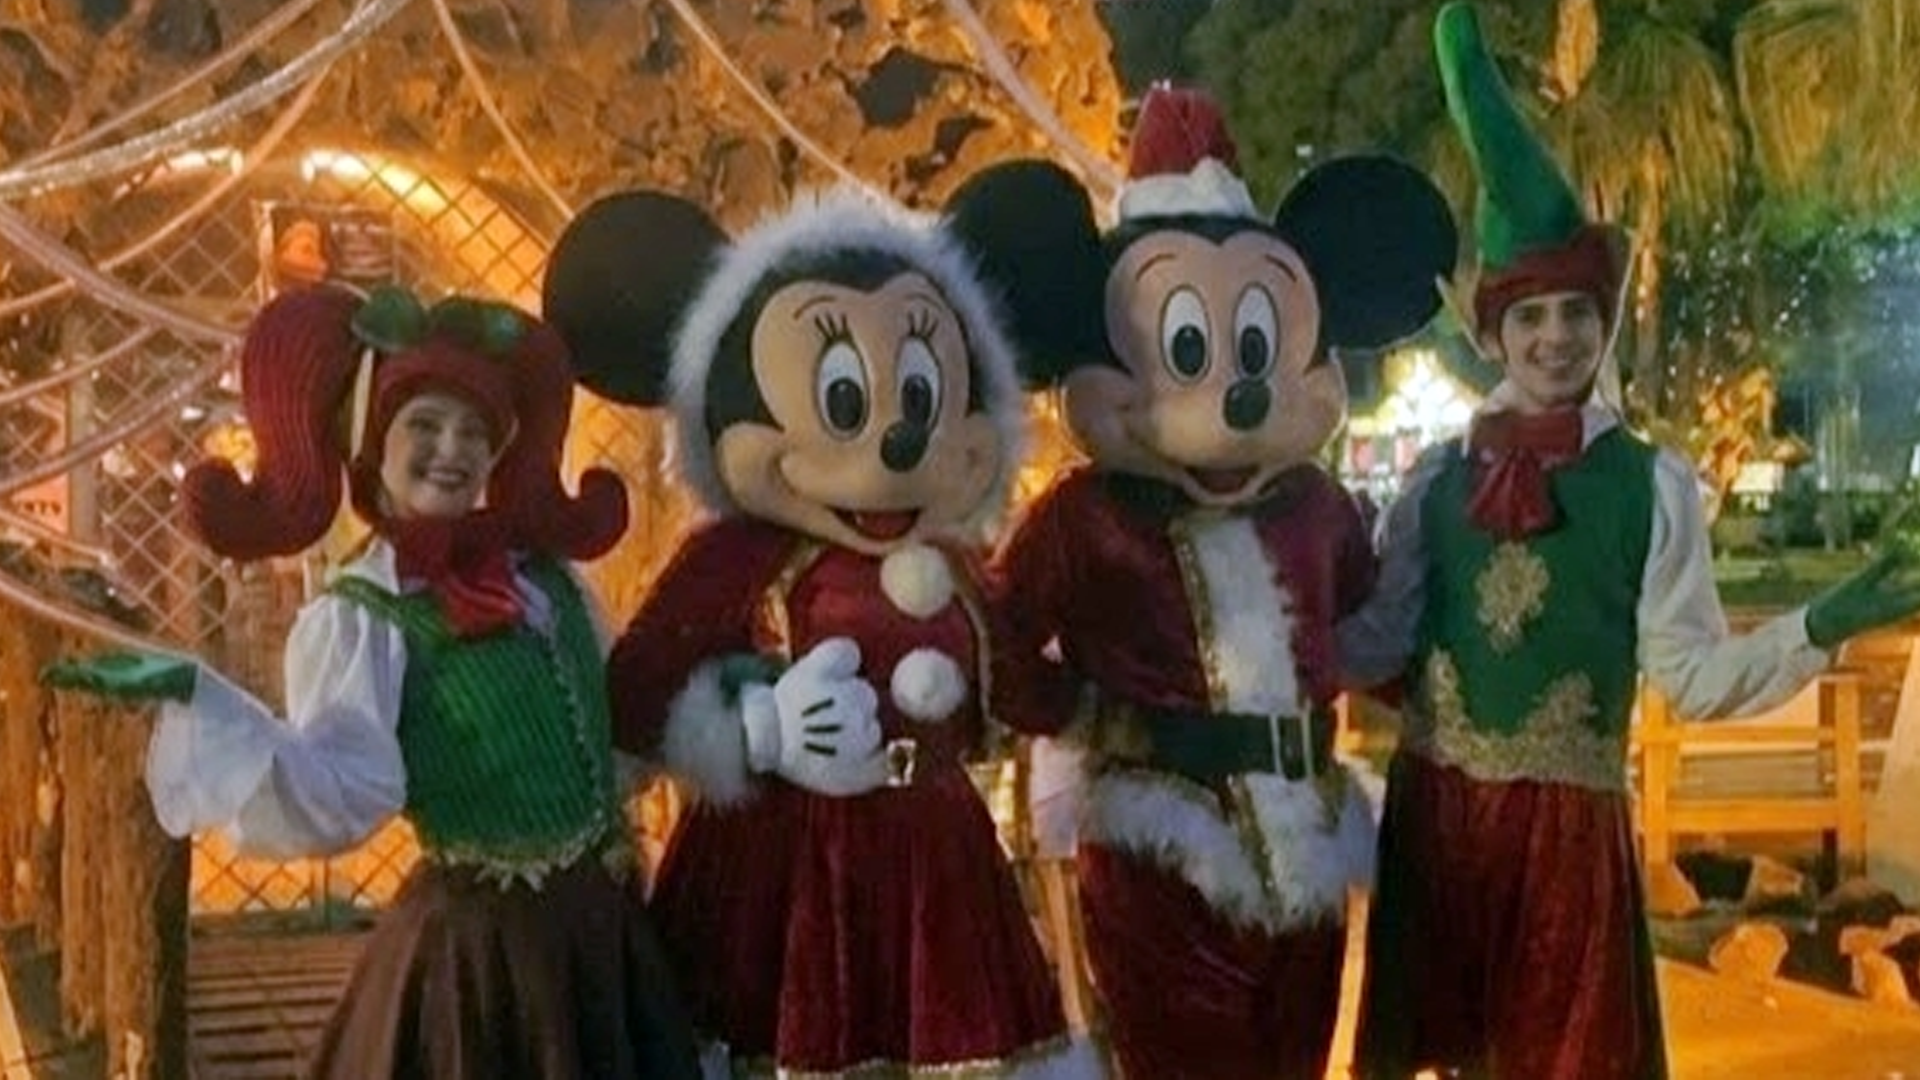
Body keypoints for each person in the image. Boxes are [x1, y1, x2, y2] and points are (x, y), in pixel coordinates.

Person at [1342, 6, 1920, 1077]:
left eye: (1576, 315)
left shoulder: (1651, 485)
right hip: (1439, 828)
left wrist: (1824, 621)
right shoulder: (1429, 483)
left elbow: (1693, 678)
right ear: (1495, 333)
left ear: (1600, 324)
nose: (1556, 337)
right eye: (1531, 319)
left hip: (1569, 847)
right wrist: (1262, 582)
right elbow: (1372, 643)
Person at [44, 284, 701, 1080]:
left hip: (604, 949)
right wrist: (206, 703)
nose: (452, 450)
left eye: (474, 432)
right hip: (484, 966)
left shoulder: (551, 585)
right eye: (424, 426)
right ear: (371, 445)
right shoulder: (367, 614)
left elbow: (616, 744)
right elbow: (339, 783)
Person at [951, 87, 1455, 1078]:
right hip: (1156, 846)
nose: (1231, 399)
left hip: (1306, 832)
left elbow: (1366, 634)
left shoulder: (1317, 506)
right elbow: (996, 638)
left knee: (1295, 1053)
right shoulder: (1083, 516)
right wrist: (1083, 713)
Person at [541, 188, 1099, 1077]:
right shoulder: (734, 559)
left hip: (936, 864)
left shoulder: (954, 563)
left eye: (919, 394)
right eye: (845, 400)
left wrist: (1125, 700)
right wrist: (753, 729)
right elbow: (639, 696)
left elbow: (1029, 690)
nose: (892, 442)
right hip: (781, 866)